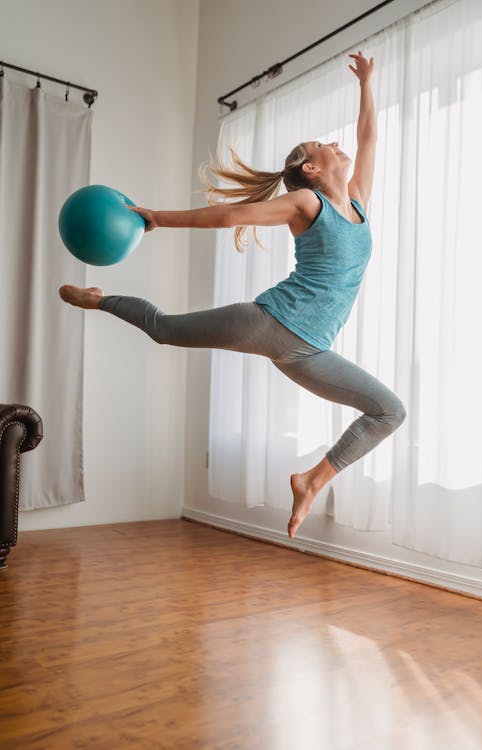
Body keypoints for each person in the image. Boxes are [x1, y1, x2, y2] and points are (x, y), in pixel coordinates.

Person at [59, 51, 406, 540]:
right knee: (164, 330)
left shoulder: (359, 203)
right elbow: (228, 218)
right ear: (311, 167)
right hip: (271, 322)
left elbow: (369, 137)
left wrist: (367, 84)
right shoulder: (307, 202)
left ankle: (311, 481)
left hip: (309, 351)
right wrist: (158, 216)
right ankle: (99, 299)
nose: (337, 143)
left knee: (389, 410)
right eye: (325, 144)